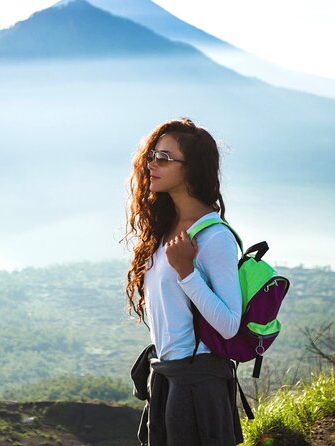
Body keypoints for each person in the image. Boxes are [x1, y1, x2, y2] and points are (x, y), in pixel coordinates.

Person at [125, 118, 244, 445]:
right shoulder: (165, 229)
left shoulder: (214, 237)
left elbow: (230, 324)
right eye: (152, 155)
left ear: (191, 169)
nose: (151, 164)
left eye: (164, 158)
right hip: (170, 379)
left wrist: (187, 273)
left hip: (198, 386)